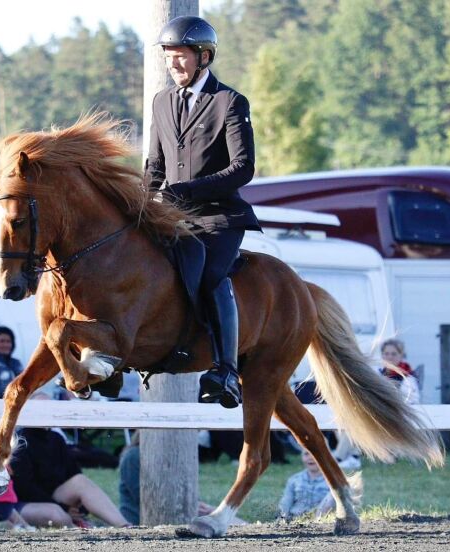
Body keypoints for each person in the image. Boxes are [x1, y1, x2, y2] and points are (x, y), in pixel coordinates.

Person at [144, 15, 259, 409]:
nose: (173, 64)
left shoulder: (229, 102)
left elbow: (242, 168)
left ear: (203, 56)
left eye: (181, 57)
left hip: (219, 216)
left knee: (210, 274)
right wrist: (139, 204)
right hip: (174, 216)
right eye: (169, 58)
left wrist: (189, 190)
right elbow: (155, 167)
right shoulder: (161, 102)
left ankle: (226, 370)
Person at [10, 392, 130, 528]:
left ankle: (124, 526)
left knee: (81, 481)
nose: (46, 411)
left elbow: (74, 474)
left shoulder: (56, 439)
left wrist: (80, 508)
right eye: (41, 408)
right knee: (57, 515)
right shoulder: (20, 441)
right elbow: (24, 488)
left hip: (55, 497)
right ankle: (79, 531)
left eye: (49, 408)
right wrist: (63, 507)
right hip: (25, 503)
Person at [277, 449, 335, 522]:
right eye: (306, 454)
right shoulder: (294, 480)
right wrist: (282, 518)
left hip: (319, 521)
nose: (311, 457)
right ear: (302, 457)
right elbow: (285, 503)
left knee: (332, 494)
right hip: (294, 520)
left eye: (315, 454)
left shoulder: (333, 482)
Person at [380, 339, 420, 404]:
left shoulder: (408, 379)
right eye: (386, 354)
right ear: (382, 355)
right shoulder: (379, 374)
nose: (390, 357)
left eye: (394, 354)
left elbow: (412, 402)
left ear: (401, 356)